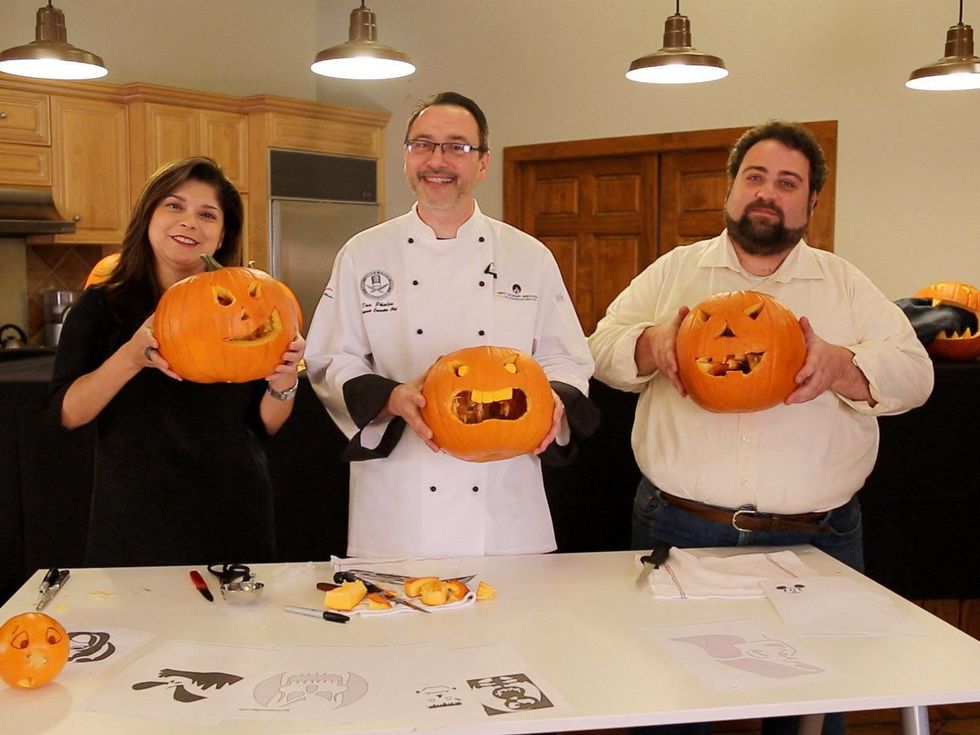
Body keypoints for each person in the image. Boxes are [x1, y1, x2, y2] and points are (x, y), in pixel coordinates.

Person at [588, 121, 933, 734]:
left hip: (817, 539)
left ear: (810, 202)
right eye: (755, 177)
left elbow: (915, 376)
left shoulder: (845, 285)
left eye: (787, 182)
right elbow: (597, 351)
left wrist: (841, 365)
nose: (767, 193)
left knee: (812, 709)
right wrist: (653, 344)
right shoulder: (675, 272)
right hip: (680, 527)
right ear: (730, 188)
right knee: (669, 705)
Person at [305, 92, 597, 558]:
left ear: (482, 164)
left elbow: (566, 357)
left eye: (457, 146)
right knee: (398, 625)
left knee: (510, 626)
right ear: (406, 158)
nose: (437, 160)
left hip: (505, 498)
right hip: (400, 494)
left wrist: (554, 405)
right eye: (423, 145)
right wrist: (389, 397)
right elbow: (328, 359)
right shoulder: (363, 254)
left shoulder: (529, 257)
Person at [47, 156, 305, 567]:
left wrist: (284, 379)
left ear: (221, 236)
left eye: (207, 214)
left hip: (235, 510)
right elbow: (68, 413)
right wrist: (132, 357)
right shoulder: (100, 307)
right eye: (174, 206)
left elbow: (264, 425)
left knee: (236, 629)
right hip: (136, 516)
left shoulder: (250, 305)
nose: (189, 222)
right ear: (148, 216)